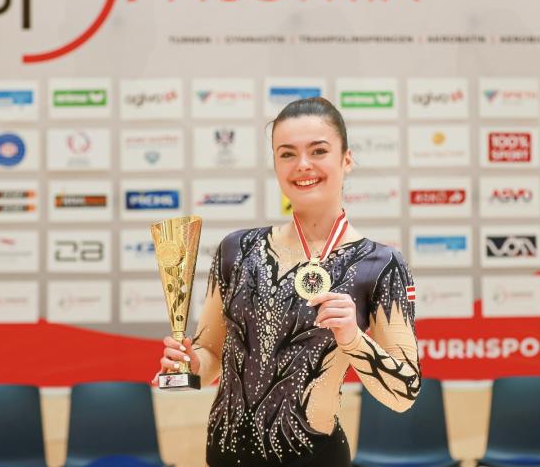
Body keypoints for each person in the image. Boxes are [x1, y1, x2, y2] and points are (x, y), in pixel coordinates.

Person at [154, 97, 420, 467]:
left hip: (314, 458)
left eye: (319, 151)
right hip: (224, 456)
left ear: (346, 159)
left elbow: (404, 393)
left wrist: (353, 339)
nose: (303, 165)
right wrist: (191, 365)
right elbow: (211, 354)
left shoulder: (381, 264)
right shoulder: (237, 249)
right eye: (287, 154)